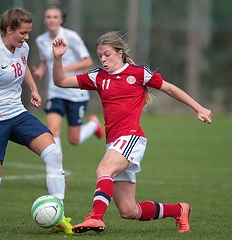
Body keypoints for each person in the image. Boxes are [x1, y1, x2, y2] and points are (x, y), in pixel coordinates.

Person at [52, 32, 213, 234]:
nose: (103, 59)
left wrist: (198, 108)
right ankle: (179, 210)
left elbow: (170, 89)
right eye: (100, 55)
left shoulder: (138, 73)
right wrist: (57, 57)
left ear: (120, 53)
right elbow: (60, 81)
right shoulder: (98, 77)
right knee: (128, 210)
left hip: (131, 137)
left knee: (103, 170)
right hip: (114, 143)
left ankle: (96, 218)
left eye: (107, 54)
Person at [0, 8, 73, 235]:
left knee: (53, 154)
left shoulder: (22, 47)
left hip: (17, 113)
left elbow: (24, 64)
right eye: (23, 33)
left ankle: (58, 214)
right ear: (9, 30)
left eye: (29, 33)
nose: (27, 38)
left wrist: (34, 89)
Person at [32, 3, 103, 155]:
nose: (51, 20)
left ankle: (93, 125)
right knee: (52, 129)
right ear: (44, 20)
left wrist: (65, 69)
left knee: (74, 139)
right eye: (48, 17)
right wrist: (41, 71)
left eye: (55, 17)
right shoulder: (41, 40)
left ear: (61, 19)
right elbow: (46, 60)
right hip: (55, 92)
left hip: (75, 93)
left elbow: (88, 61)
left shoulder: (71, 37)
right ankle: (58, 173)